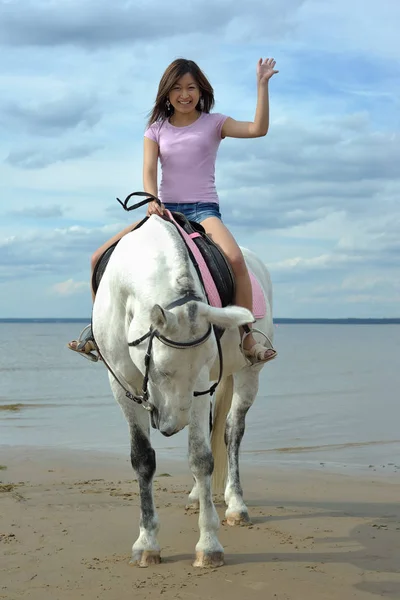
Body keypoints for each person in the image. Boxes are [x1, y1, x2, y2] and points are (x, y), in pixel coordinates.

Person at [68, 57, 278, 364]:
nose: (184, 94)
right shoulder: (155, 130)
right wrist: (152, 199)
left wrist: (262, 84)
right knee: (97, 257)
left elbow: (258, 129)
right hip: (165, 212)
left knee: (234, 258)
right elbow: (149, 171)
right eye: (177, 88)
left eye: (191, 87)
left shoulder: (214, 123)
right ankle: (100, 334)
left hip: (203, 211)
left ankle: (247, 336)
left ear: (201, 91)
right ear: (167, 93)